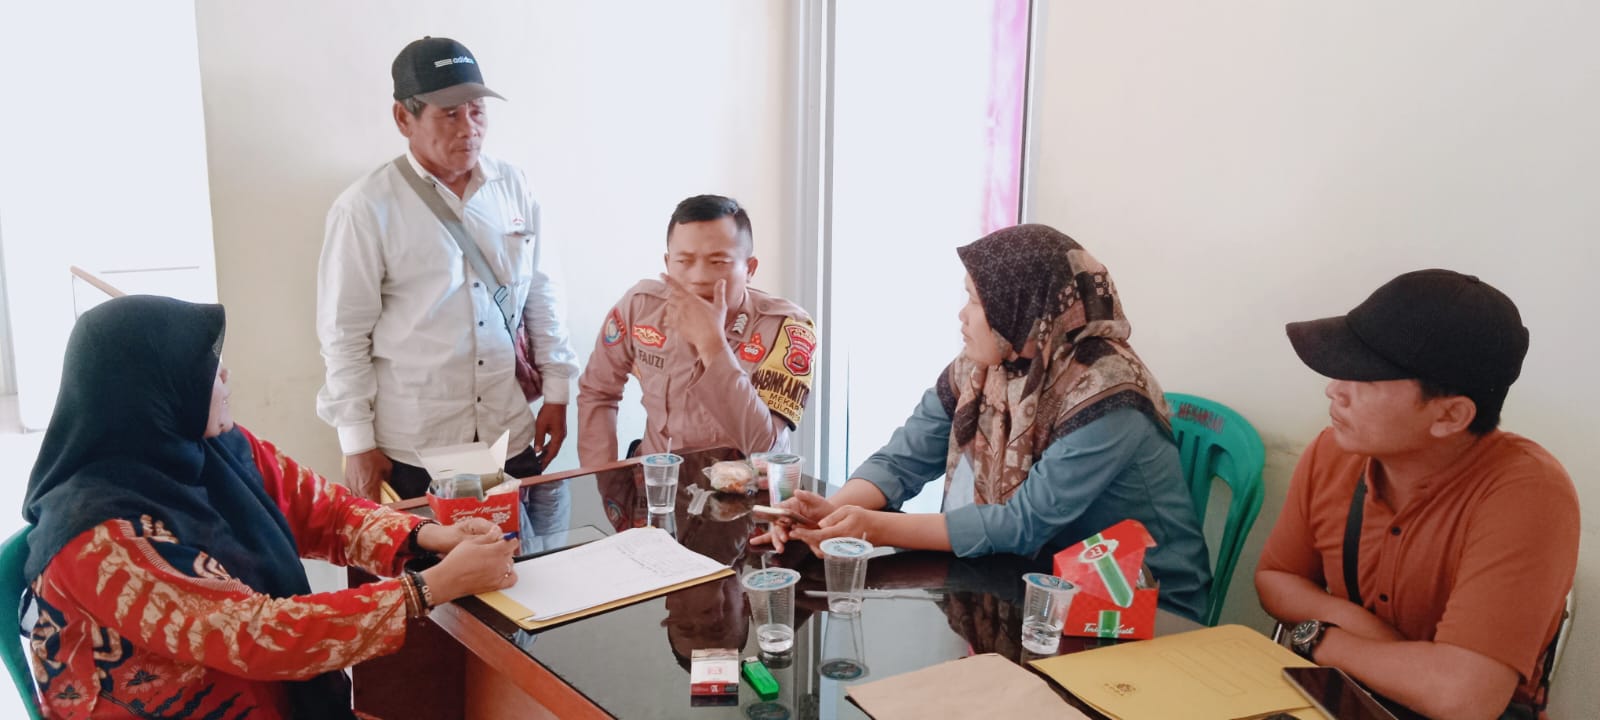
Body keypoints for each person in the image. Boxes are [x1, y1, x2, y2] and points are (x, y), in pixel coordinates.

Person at [20, 295, 519, 720]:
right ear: (152, 392)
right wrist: (428, 588)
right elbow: (256, 634)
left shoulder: (214, 450)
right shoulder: (102, 541)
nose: (224, 373)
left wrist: (425, 536)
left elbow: (328, 512)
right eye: (206, 366)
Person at [767, 224, 1211, 622]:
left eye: (977, 301)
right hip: (1036, 584)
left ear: (1025, 310)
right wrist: (830, 515)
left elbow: (1022, 524)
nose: (962, 315)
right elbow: (903, 458)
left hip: (1140, 602)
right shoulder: (988, 367)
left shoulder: (1107, 394)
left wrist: (872, 526)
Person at [1255, 269, 1577, 719]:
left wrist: (1322, 640)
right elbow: (1276, 578)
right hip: (1340, 700)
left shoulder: (1528, 496)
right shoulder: (1333, 451)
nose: (1334, 389)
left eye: (1364, 379)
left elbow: (1463, 698)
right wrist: (1360, 624)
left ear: (1449, 416)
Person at [316, 36, 579, 537]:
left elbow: (542, 294)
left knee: (527, 568)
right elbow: (343, 334)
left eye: (477, 111)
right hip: (417, 446)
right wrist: (357, 444)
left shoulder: (513, 186)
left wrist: (558, 391)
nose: (469, 128)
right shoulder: (365, 208)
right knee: (429, 580)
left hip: (508, 432)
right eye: (450, 114)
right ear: (404, 118)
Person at [576, 195, 817, 466]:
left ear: (750, 269)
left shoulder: (789, 328)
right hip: (658, 481)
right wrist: (603, 477)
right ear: (667, 263)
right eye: (684, 261)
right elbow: (598, 392)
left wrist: (712, 345)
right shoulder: (641, 307)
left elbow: (764, 447)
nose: (699, 277)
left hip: (746, 485)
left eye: (718, 262)